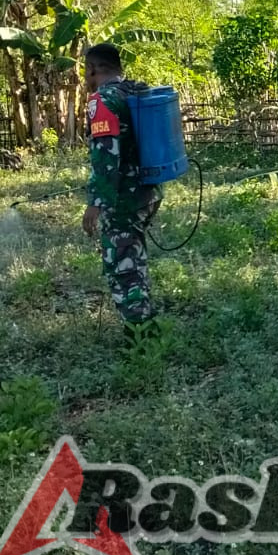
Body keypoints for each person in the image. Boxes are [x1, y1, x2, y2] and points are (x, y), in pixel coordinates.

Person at [82, 43, 162, 345]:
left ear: (92, 69)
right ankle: (145, 323)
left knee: (123, 265)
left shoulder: (103, 100)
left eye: (86, 71)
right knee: (134, 258)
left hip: (122, 198)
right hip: (147, 191)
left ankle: (141, 337)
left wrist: (96, 203)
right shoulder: (135, 90)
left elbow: (106, 155)